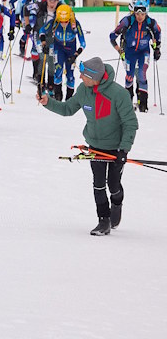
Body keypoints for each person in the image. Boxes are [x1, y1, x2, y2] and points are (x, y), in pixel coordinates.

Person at [39, 56, 137, 236]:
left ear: (94, 77)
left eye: (84, 76)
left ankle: (117, 203)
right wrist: (48, 103)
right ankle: (103, 220)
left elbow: (130, 123)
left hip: (116, 147)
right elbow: (68, 109)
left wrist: (124, 149)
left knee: (113, 185)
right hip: (95, 145)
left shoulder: (119, 94)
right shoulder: (83, 90)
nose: (80, 78)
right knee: (98, 184)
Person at [109, 0, 161, 112]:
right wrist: (120, 50)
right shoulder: (127, 21)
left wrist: (157, 48)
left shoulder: (151, 22)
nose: (140, 16)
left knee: (142, 75)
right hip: (129, 52)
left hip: (144, 52)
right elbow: (112, 37)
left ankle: (143, 104)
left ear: (146, 13)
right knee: (129, 76)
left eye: (142, 14)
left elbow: (157, 33)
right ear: (133, 12)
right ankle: (128, 102)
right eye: (137, 14)